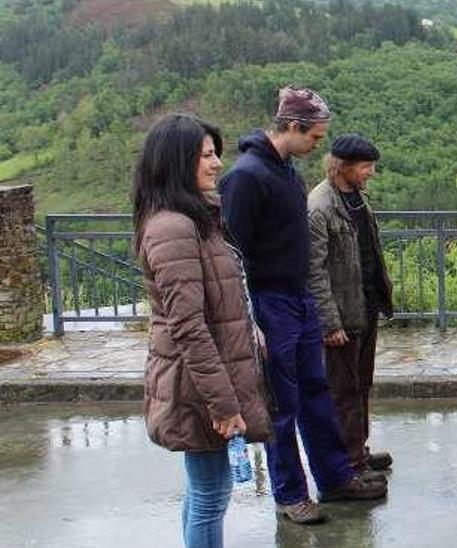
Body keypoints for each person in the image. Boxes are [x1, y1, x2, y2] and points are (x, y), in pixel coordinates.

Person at [219, 86, 385, 525]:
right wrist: (248, 317)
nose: (319, 146)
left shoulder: (287, 172)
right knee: (282, 404)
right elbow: (230, 253)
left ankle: (334, 478)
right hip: (270, 301)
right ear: (293, 127)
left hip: (300, 299)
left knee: (318, 394)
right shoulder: (246, 177)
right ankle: (290, 494)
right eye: (315, 137)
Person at [132, 113, 271, 547]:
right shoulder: (174, 227)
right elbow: (189, 326)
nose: (216, 164)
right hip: (200, 387)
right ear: (177, 162)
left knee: (203, 492)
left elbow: (217, 303)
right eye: (206, 155)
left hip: (204, 381)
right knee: (212, 496)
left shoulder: (194, 220)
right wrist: (224, 405)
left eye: (216, 154)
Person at [306, 134, 395, 482]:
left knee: (361, 384)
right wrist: (329, 323)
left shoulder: (356, 197)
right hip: (342, 316)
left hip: (364, 308)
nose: (371, 172)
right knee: (342, 391)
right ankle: (348, 468)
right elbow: (314, 271)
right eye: (365, 166)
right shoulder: (320, 206)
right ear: (342, 167)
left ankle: (358, 450)